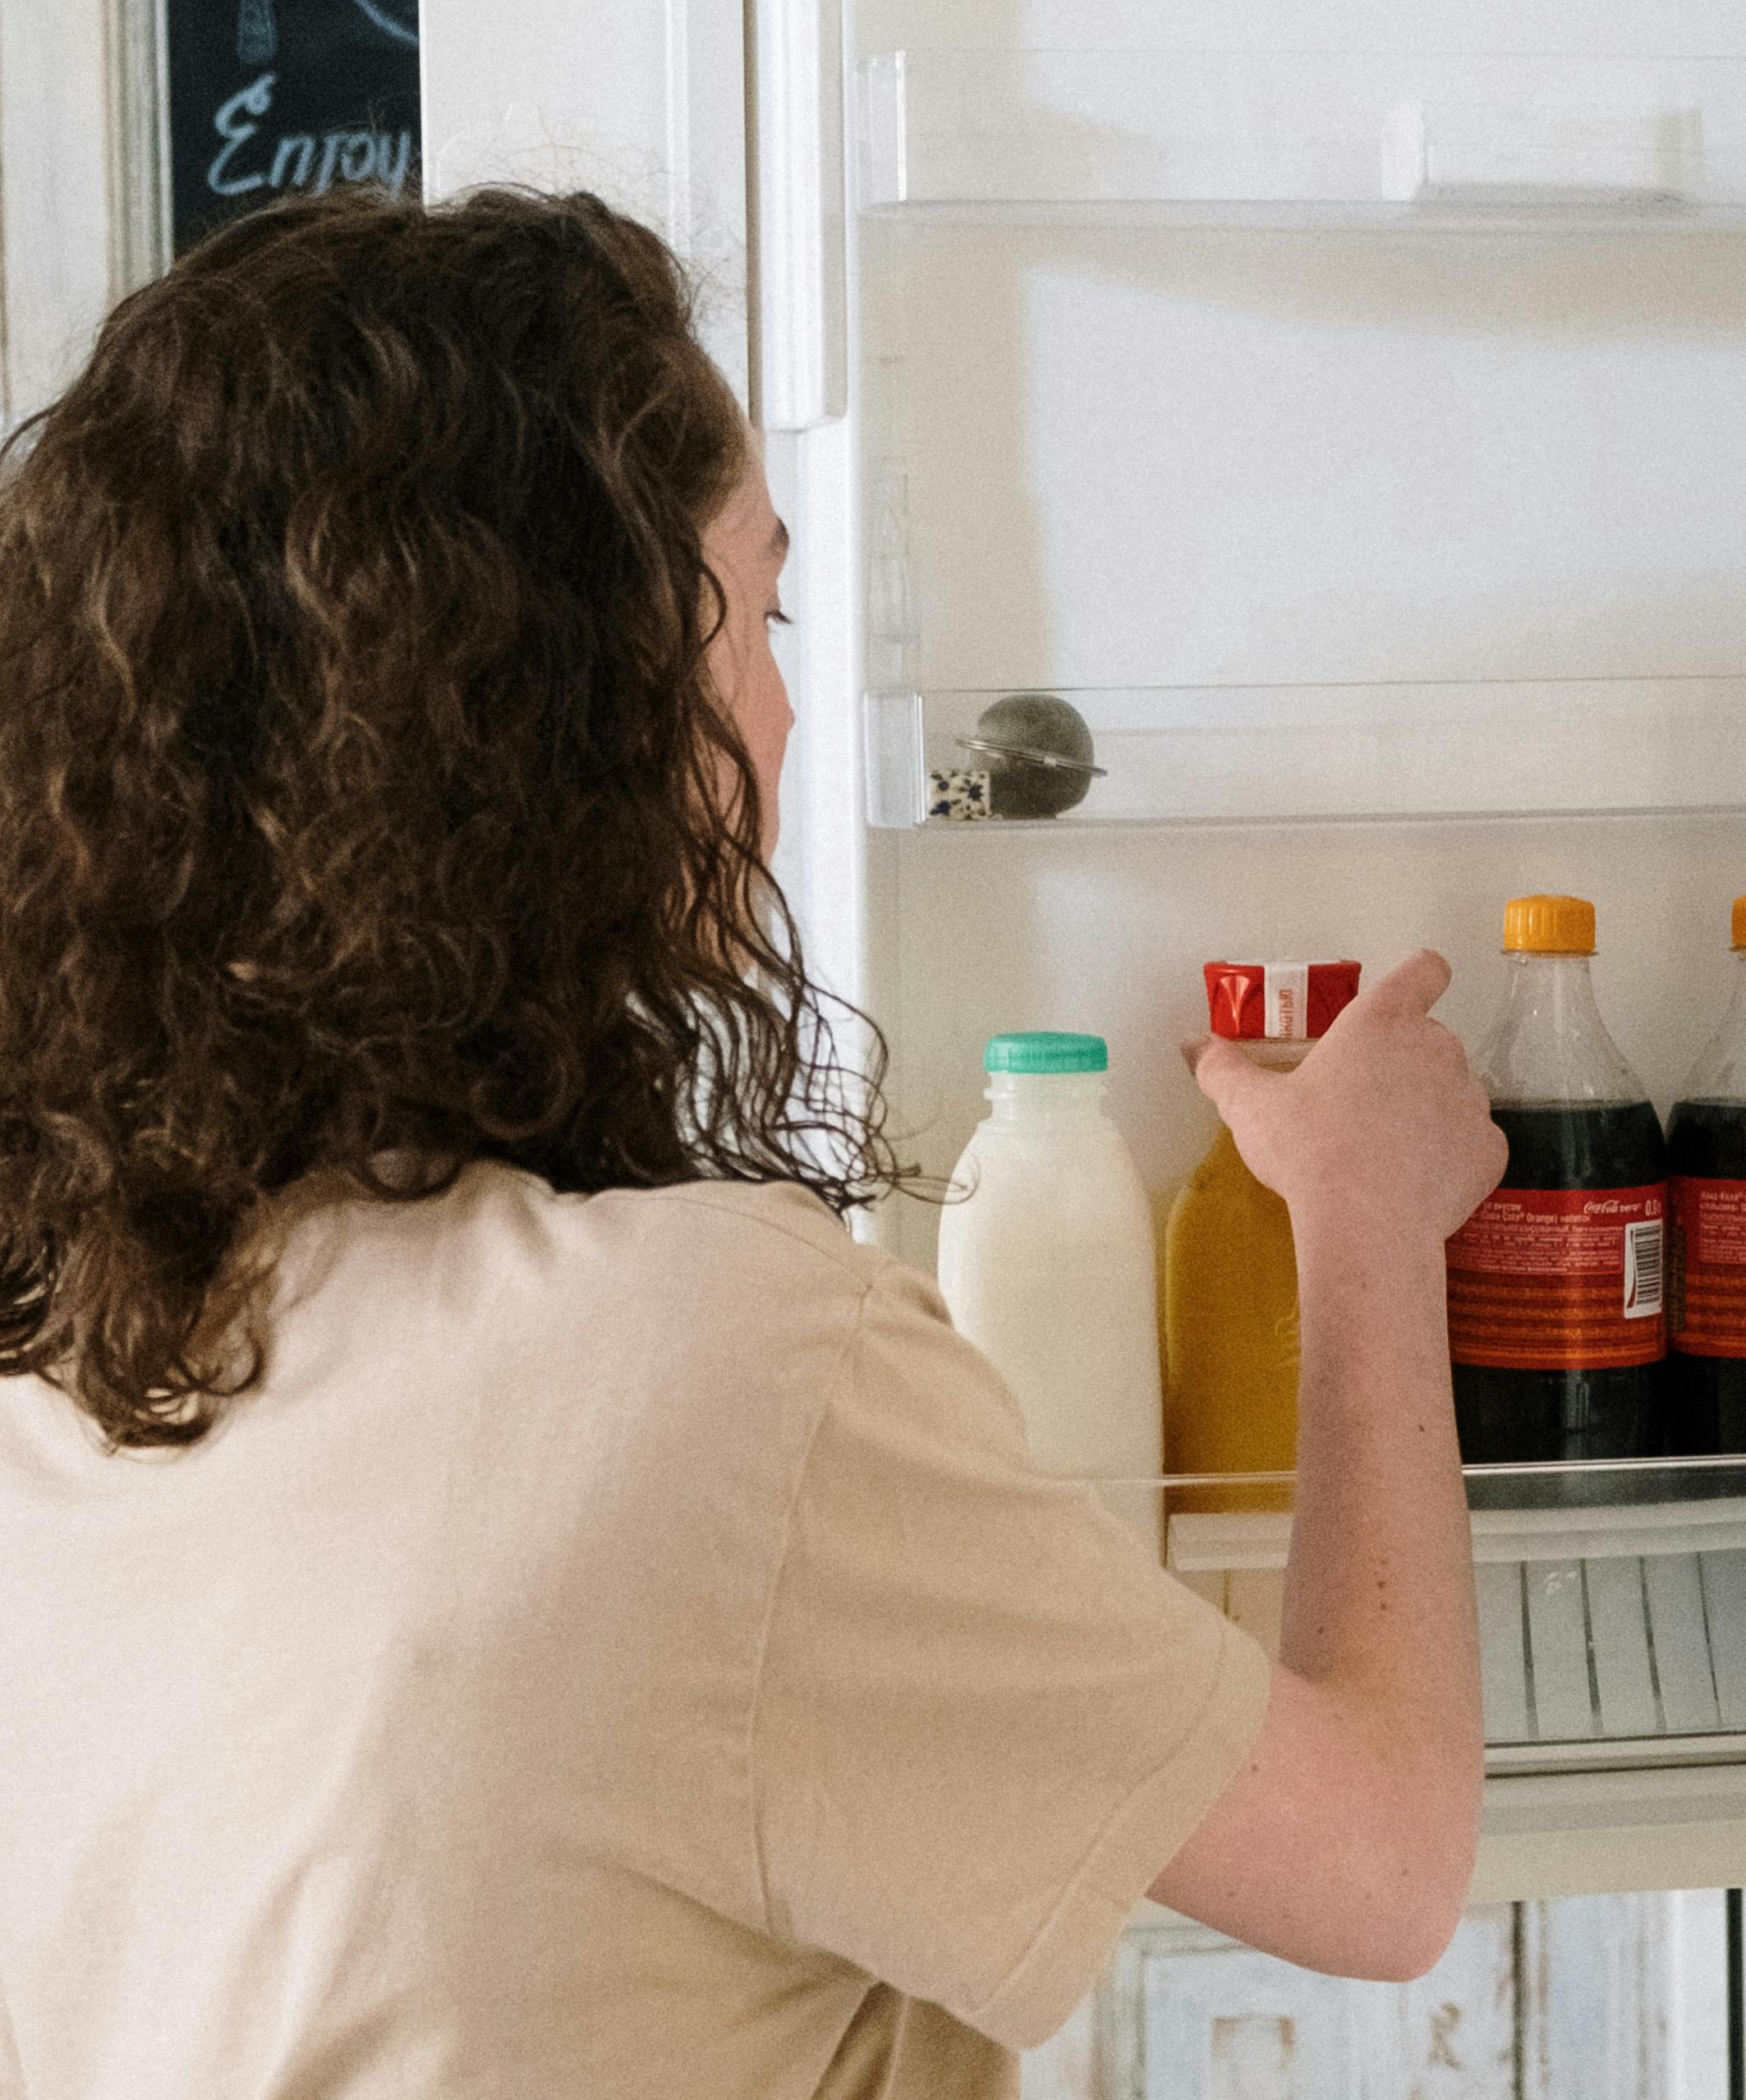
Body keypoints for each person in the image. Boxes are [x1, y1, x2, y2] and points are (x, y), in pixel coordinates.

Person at [0, 189, 1504, 2098]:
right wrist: (1363, 1221)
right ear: (571, 705)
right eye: (759, 610)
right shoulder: (712, 1369)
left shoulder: (67, 1366)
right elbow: (1381, 1867)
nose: (786, 709)